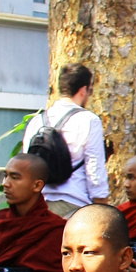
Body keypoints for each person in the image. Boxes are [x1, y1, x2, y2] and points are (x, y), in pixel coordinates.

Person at [23, 63, 110, 217]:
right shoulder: (89, 120)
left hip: (38, 207)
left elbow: (26, 165)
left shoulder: (36, 121)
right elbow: (94, 171)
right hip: (74, 207)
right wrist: (102, 210)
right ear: (84, 90)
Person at [0, 153, 69, 272]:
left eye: (14, 177)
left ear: (37, 185)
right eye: (5, 176)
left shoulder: (55, 229)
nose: (5, 183)